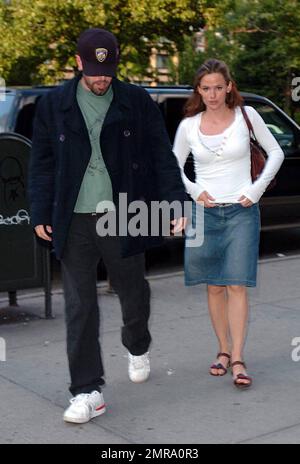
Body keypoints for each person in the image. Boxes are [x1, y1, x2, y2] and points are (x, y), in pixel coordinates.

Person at [28, 27, 186, 423]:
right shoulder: (54, 105)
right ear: (78, 62)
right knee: (79, 305)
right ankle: (87, 390)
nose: (103, 78)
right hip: (75, 217)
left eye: (109, 70)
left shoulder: (135, 100)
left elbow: (161, 154)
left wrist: (174, 204)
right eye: (95, 70)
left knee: (132, 292)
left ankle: (137, 342)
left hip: (124, 214)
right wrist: (40, 211)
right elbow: (42, 163)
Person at [173, 59, 284, 389]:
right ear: (198, 90)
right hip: (204, 214)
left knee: (237, 283)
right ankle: (222, 350)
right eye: (206, 88)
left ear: (229, 87)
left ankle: (237, 357)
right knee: (214, 285)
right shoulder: (189, 126)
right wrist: (193, 189)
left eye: (218, 87)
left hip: (241, 212)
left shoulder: (247, 117)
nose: (212, 94)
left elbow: (275, 152)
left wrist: (255, 189)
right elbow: (172, 165)